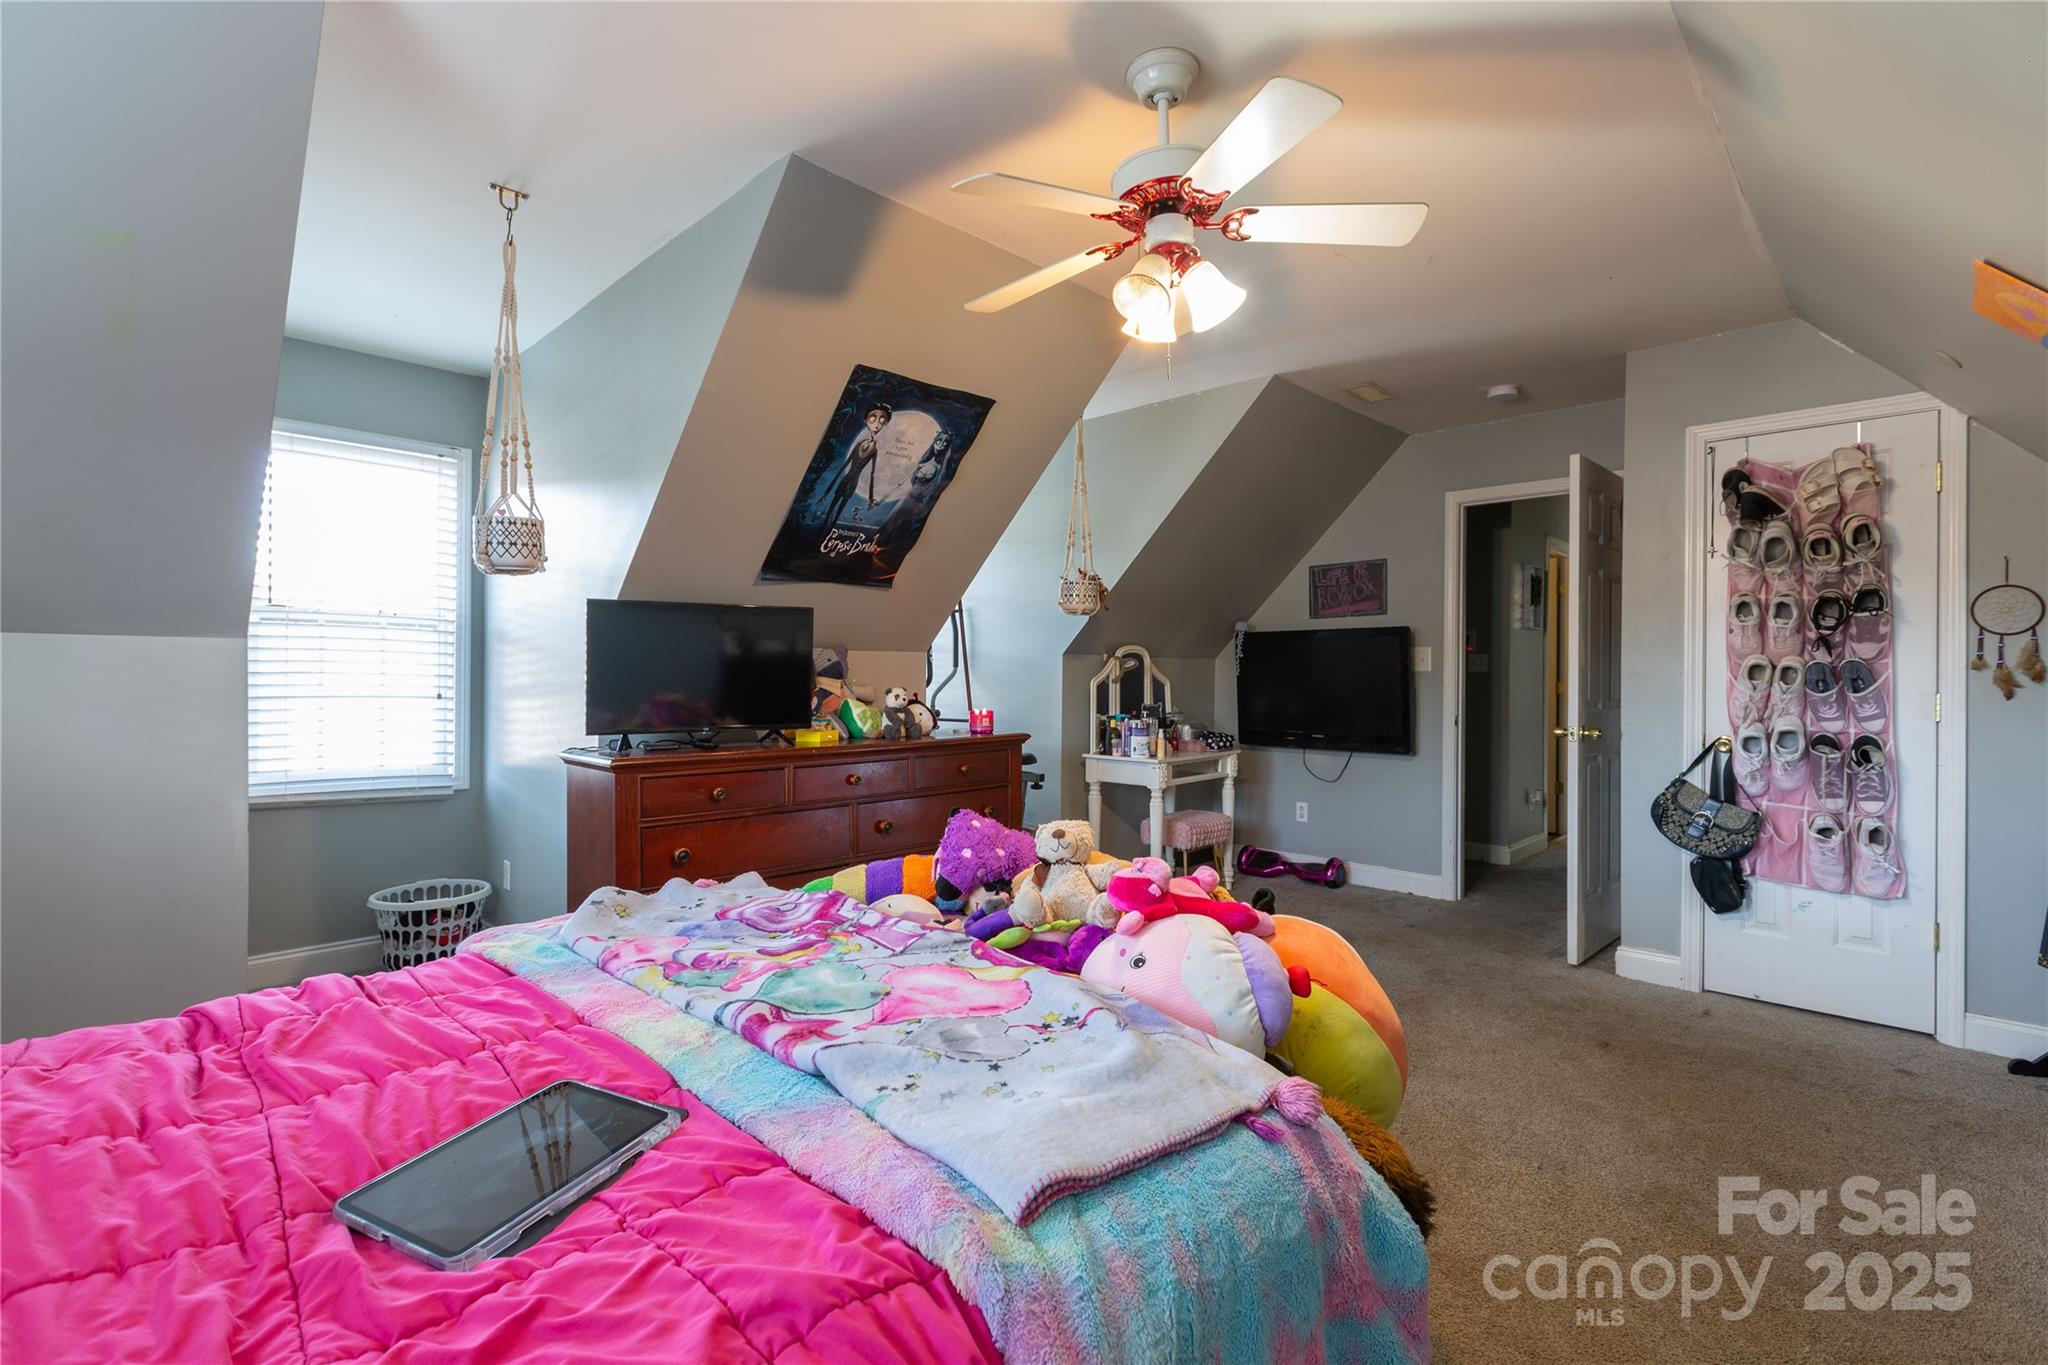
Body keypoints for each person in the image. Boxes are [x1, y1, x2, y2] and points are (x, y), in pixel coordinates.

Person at [820, 403, 891, 527]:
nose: (876, 424)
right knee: (830, 509)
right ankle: (823, 527)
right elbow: (843, 467)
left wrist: (871, 497)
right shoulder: (858, 445)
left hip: (853, 483)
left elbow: (872, 474)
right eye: (872, 419)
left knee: (838, 513)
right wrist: (826, 493)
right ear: (866, 421)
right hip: (845, 480)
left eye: (882, 421)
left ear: (885, 425)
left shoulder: (874, 450)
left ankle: (830, 528)